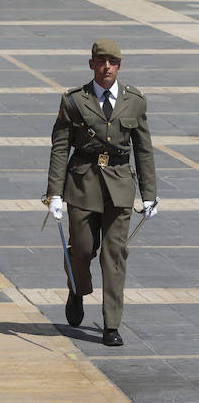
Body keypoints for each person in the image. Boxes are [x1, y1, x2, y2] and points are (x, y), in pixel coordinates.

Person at [45, 39, 157, 346]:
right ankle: (78, 289)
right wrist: (54, 193)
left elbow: (143, 149)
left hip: (119, 185)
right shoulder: (74, 101)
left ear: (119, 65)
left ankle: (111, 324)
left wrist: (149, 194)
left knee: (114, 255)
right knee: (81, 251)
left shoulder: (134, 100)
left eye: (112, 61)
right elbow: (60, 148)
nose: (106, 66)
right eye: (101, 61)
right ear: (91, 64)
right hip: (82, 183)